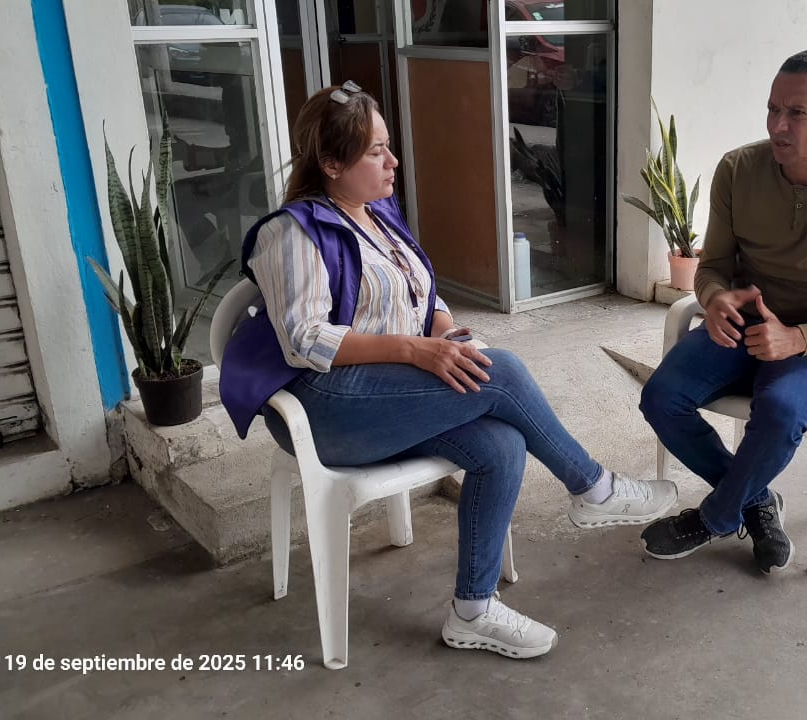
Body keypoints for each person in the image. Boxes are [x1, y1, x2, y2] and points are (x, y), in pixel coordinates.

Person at [219, 81, 677, 660]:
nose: (393, 161)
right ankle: (594, 488)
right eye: (376, 152)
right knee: (501, 371)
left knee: (501, 444)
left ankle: (472, 611)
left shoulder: (377, 215)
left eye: (388, 145)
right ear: (331, 164)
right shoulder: (292, 232)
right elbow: (304, 340)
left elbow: (421, 296)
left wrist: (444, 332)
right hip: (323, 408)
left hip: (385, 396)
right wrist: (416, 352)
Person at [638, 50, 807, 574]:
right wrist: (714, 298)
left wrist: (798, 339)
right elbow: (713, 267)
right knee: (661, 398)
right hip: (743, 324)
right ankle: (755, 501)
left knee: (778, 412)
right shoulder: (738, 170)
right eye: (772, 109)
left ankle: (714, 517)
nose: (778, 125)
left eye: (796, 113)